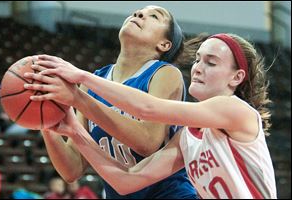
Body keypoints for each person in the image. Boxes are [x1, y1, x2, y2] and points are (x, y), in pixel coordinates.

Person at [25, 33, 277, 198]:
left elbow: (148, 109)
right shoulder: (188, 137)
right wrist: (74, 131)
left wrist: (80, 77)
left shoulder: (235, 110)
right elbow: (125, 181)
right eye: (198, 59)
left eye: (211, 62)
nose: (198, 68)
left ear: (237, 77)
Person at [25, 5, 199, 199]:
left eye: (154, 16)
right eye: (138, 11)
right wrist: (44, 118)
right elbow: (72, 170)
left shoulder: (164, 74)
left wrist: (78, 99)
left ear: (164, 44)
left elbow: (147, 141)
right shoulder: (92, 83)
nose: (138, 14)